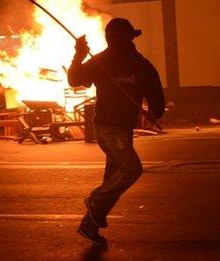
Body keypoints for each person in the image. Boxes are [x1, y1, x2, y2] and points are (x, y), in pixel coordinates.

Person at [68, 18, 165, 244]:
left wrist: (155, 112)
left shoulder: (139, 66)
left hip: (123, 130)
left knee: (114, 179)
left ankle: (89, 225)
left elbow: (155, 93)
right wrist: (79, 55)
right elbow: (75, 79)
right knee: (132, 169)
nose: (115, 42)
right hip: (107, 129)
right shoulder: (102, 62)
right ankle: (95, 200)